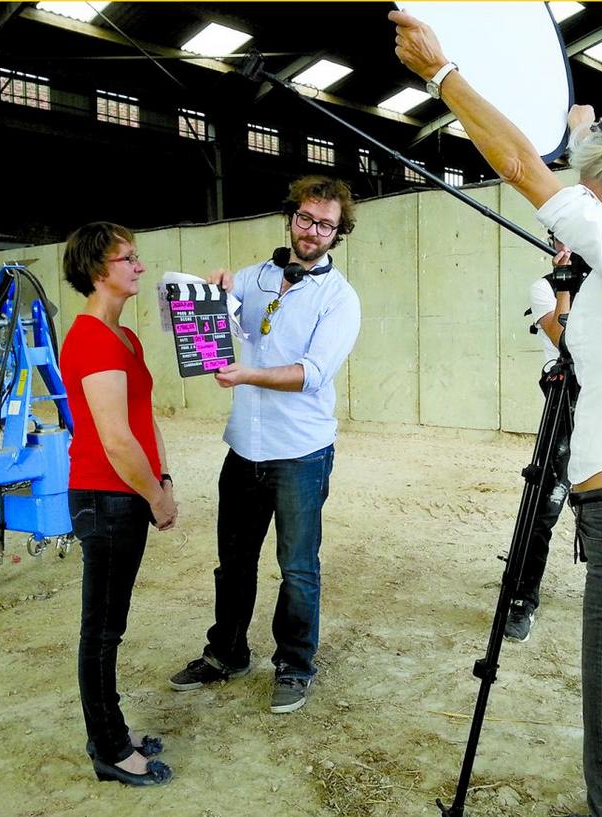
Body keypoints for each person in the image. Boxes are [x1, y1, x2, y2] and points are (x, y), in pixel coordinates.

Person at [390, 10, 602, 817]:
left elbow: (518, 164)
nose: (584, 187)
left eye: (596, 176)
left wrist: (442, 76)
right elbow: (591, 336)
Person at [170, 175, 360, 714]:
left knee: (298, 567)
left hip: (300, 452)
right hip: (244, 447)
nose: (312, 231)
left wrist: (247, 375)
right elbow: (202, 336)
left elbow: (312, 373)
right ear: (291, 216)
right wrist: (207, 300)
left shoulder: (340, 299)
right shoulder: (252, 278)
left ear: (337, 232)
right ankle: (226, 654)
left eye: (325, 225)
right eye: (306, 219)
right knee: (233, 562)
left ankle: (295, 665)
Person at [61, 222, 177, 786]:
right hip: (107, 498)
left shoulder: (124, 338)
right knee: (102, 629)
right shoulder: (90, 339)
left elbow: (143, 419)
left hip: (127, 493)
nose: (139, 266)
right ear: (96, 269)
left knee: (112, 624)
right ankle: (108, 749)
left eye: (137, 256)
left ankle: (111, 727)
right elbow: (114, 439)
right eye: (128, 258)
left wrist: (166, 478)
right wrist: (154, 496)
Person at [505, 245, 573, 643]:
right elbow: (566, 340)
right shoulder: (544, 288)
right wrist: (565, 285)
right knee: (545, 500)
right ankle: (522, 597)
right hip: (564, 394)